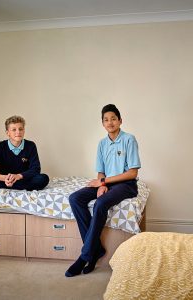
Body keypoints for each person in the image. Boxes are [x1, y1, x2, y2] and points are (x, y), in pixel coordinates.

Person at [66, 104, 141, 277]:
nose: (110, 122)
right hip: (107, 182)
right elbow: (101, 171)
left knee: (100, 203)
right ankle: (96, 249)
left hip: (126, 185)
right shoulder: (102, 144)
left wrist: (103, 182)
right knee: (75, 198)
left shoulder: (129, 139)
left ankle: (85, 256)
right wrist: (102, 184)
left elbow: (132, 172)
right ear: (102, 124)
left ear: (120, 120)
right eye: (106, 120)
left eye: (113, 118)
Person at [0, 115, 49, 191]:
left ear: (24, 130)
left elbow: (35, 169)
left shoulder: (31, 145)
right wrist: (4, 178)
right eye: (14, 129)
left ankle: (9, 186)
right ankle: (18, 186)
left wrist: (18, 176)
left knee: (43, 178)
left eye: (21, 129)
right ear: (7, 133)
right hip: (4, 180)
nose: (18, 132)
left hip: (23, 178)